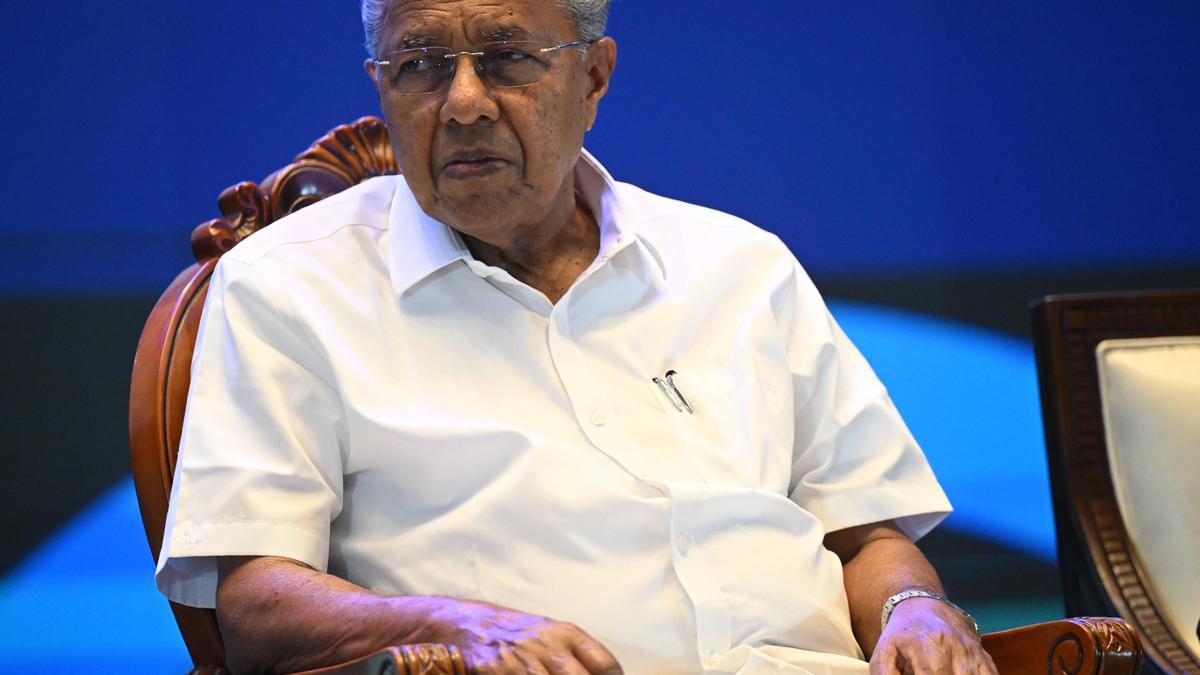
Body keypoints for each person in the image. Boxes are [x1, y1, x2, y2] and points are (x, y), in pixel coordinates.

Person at [156, 1, 998, 673]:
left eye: (507, 58)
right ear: (381, 84)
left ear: (594, 76)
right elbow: (254, 603)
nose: (463, 102)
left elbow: (867, 534)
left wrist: (913, 608)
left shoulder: (740, 264)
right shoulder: (288, 284)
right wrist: (453, 626)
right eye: (420, 65)